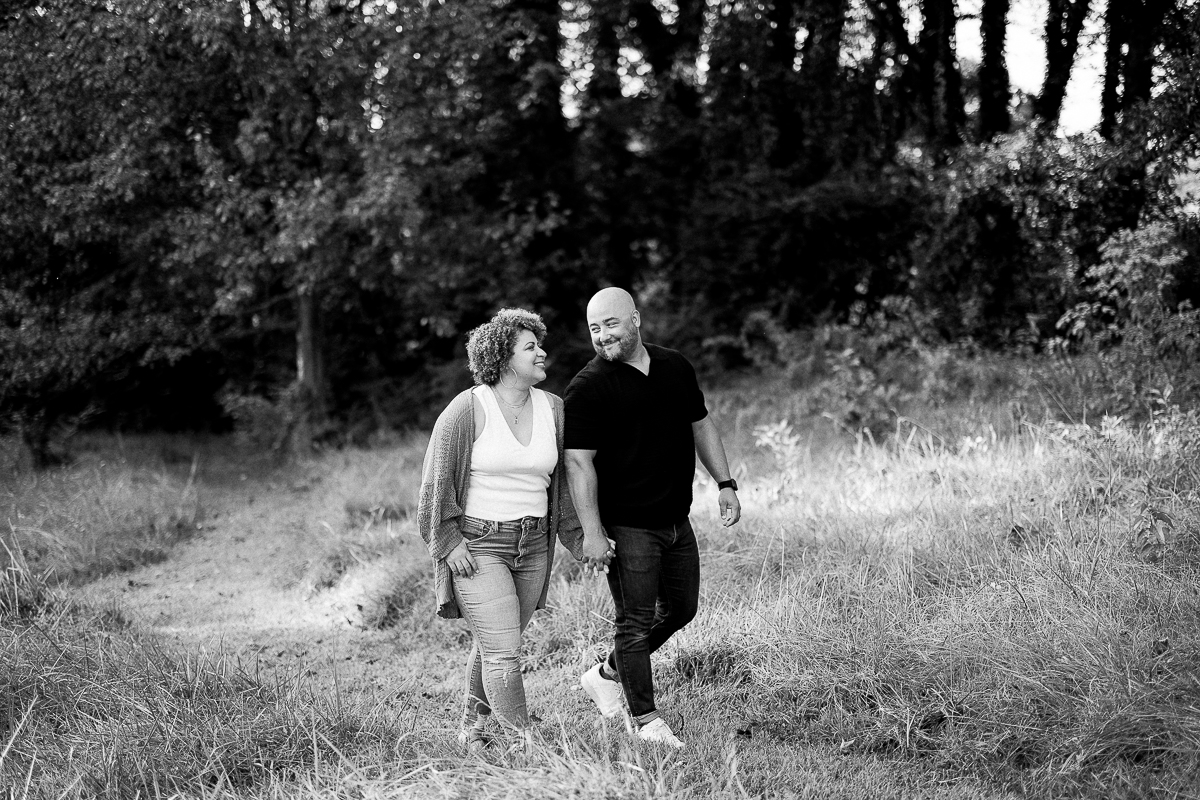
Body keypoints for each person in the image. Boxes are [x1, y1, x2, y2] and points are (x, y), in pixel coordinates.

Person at [417, 307, 601, 755]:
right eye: (530, 347)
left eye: (539, 345)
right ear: (502, 358)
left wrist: (582, 540)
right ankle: (525, 743)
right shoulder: (468, 409)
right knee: (504, 652)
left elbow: (562, 487)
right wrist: (448, 542)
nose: (542, 353)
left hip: (533, 546)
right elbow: (434, 485)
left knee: (497, 642)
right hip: (479, 547)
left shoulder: (553, 408)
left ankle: (472, 725)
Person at [564, 287, 742, 749]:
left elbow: (700, 424)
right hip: (627, 525)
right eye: (594, 328)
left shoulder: (674, 366)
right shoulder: (587, 387)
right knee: (635, 621)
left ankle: (606, 674)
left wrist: (725, 483)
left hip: (676, 518)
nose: (603, 335)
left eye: (611, 324)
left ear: (636, 319)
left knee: (682, 609)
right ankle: (646, 720)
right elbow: (578, 463)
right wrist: (592, 532)